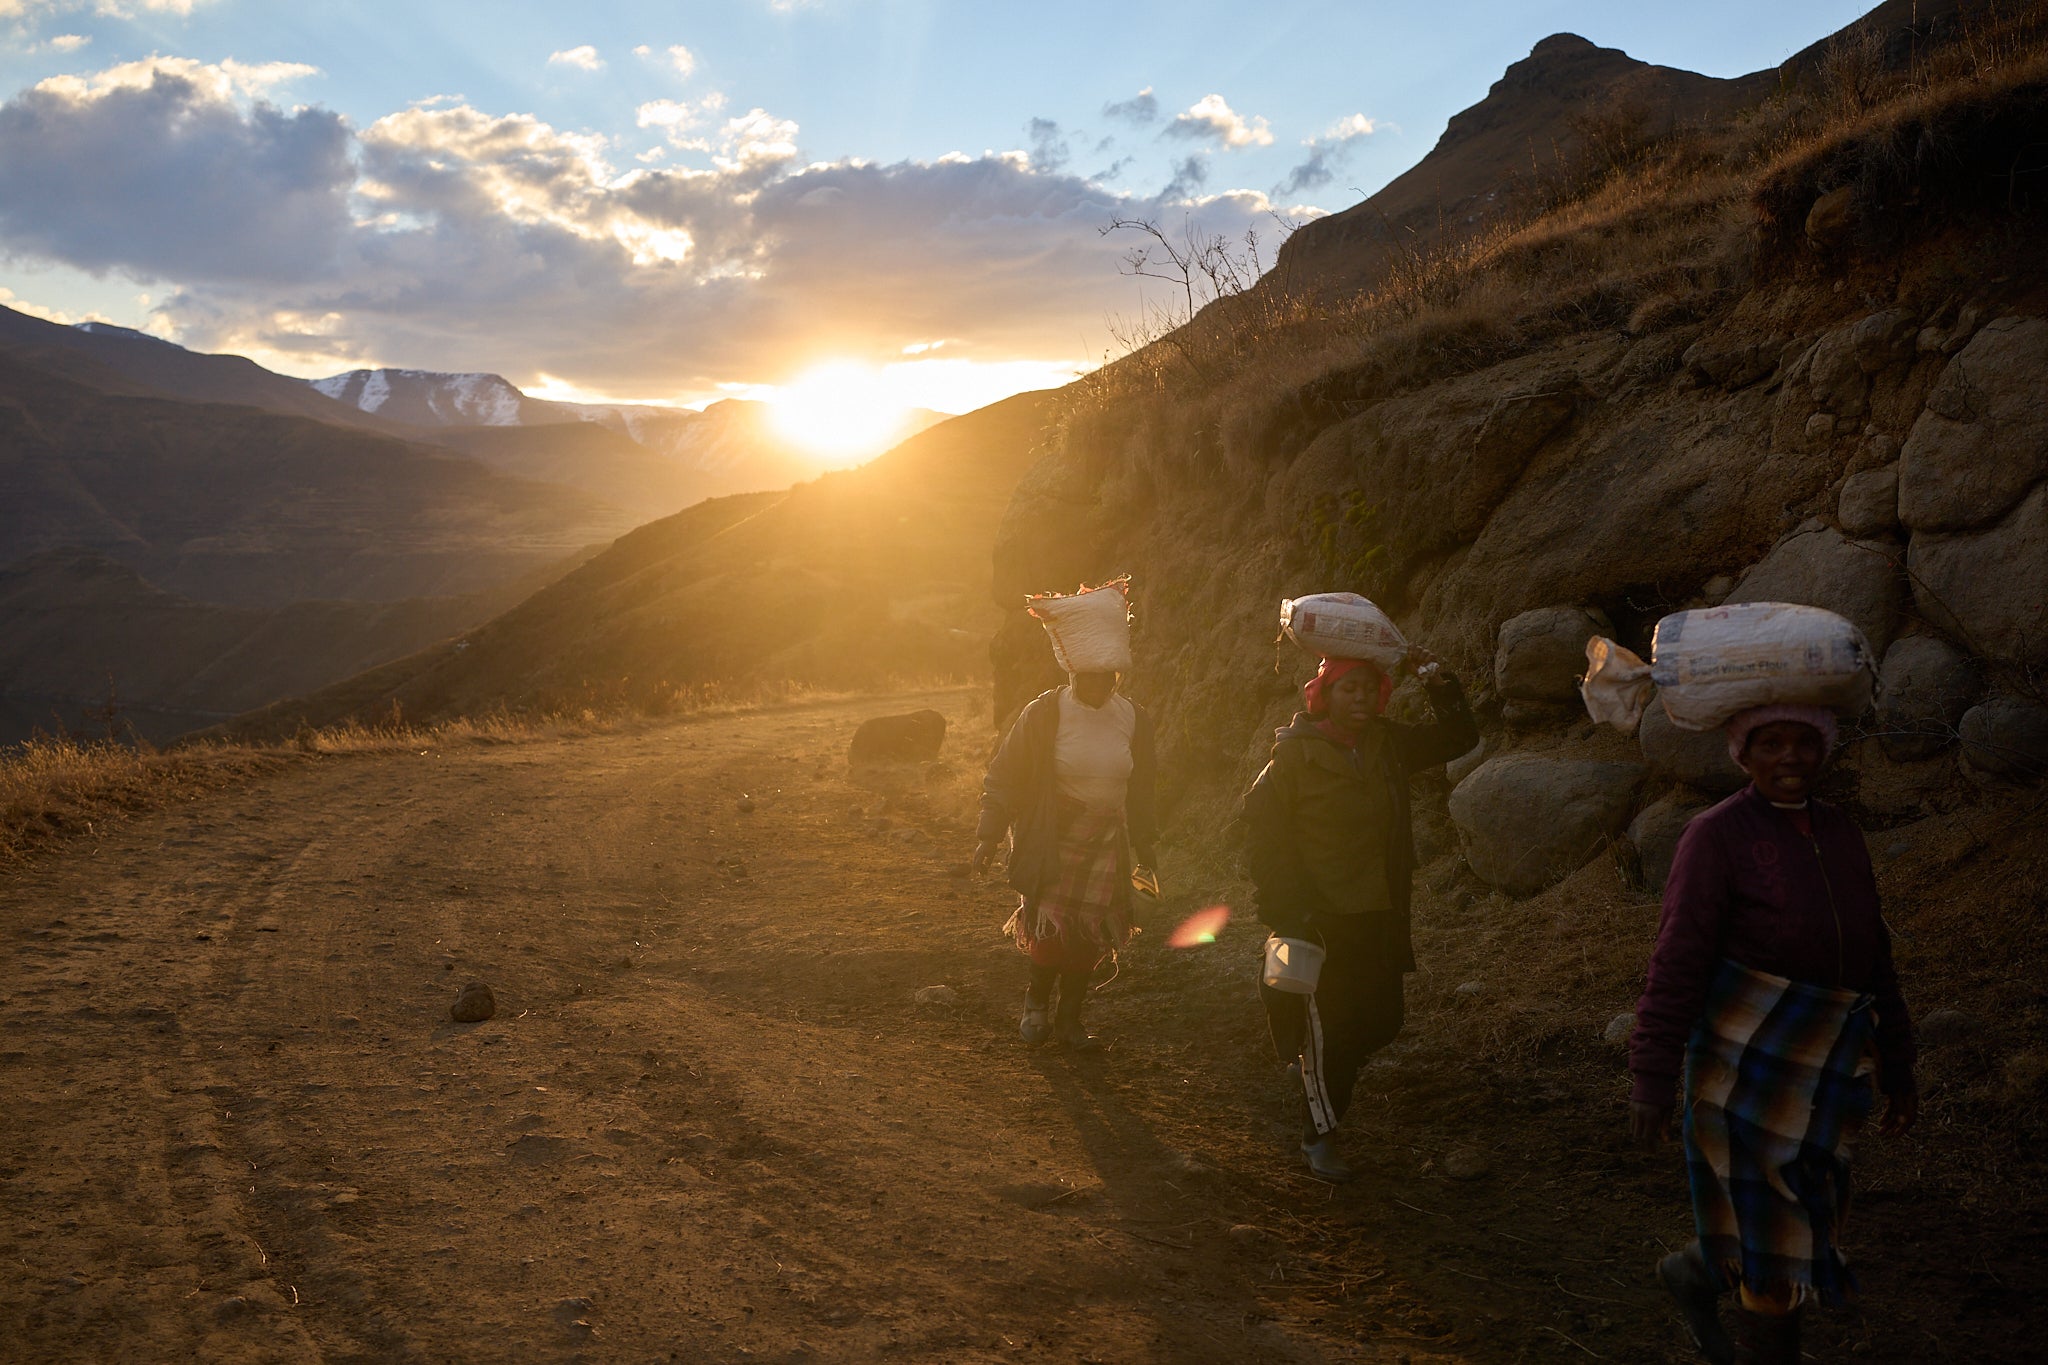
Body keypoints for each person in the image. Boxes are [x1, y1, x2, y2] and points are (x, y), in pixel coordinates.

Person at [1629, 704, 1918, 1365]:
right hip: (1744, 1058)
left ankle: (1697, 1270)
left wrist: (1898, 1060)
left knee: (1803, 1218)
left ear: (1825, 750)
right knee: (1777, 1245)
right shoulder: (1716, 836)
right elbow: (1679, 958)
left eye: (1804, 742)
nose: (1790, 756)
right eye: (1771, 743)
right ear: (1743, 753)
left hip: (1829, 1059)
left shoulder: (1842, 832)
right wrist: (1651, 1071)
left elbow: (1874, 954)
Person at [1242, 647, 1476, 1181]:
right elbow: (1264, 844)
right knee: (1334, 1032)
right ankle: (1318, 1136)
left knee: (1382, 1022)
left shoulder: (1387, 745)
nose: (1361, 700)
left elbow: (1460, 739)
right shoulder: (1291, 758)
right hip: (1321, 921)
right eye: (1349, 689)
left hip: (1380, 913)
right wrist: (1289, 913)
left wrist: (1437, 679)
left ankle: (1321, 1072)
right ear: (1324, 695)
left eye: (1370, 690)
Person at [973, 668, 1157, 1049]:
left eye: (1108, 678)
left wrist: (1145, 843)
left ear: (1117, 676)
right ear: (1072, 673)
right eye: (1090, 677)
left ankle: (1069, 1020)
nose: (1100, 686)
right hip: (1052, 837)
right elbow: (1006, 774)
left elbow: (1142, 787)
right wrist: (988, 835)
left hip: (1108, 836)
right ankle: (1036, 1004)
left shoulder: (1132, 717)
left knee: (1089, 932)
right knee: (1052, 928)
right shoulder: (1044, 713)